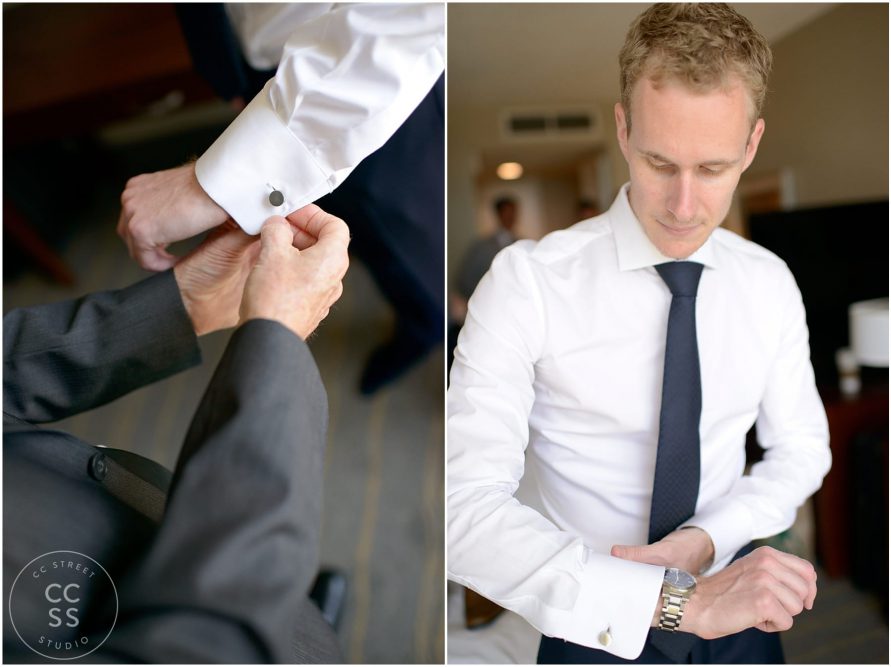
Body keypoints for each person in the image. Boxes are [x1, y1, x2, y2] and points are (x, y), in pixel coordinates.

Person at [447, 4, 831, 664]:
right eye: (659, 162)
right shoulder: (525, 285)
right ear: (623, 130)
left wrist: (711, 538)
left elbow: (802, 448)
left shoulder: (767, 283)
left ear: (751, 145)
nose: (683, 206)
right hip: (584, 620)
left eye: (711, 168)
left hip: (733, 600)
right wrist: (677, 603)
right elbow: (460, 510)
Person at [4, 207, 350, 662]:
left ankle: (292, 605)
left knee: (297, 618)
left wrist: (184, 303)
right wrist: (278, 337)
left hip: (129, 513)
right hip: (214, 613)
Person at [118, 3, 445, 395]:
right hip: (258, 66)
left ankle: (428, 326)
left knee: (411, 245)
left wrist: (211, 184)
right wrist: (231, 75)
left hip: (367, 76)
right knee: (345, 226)